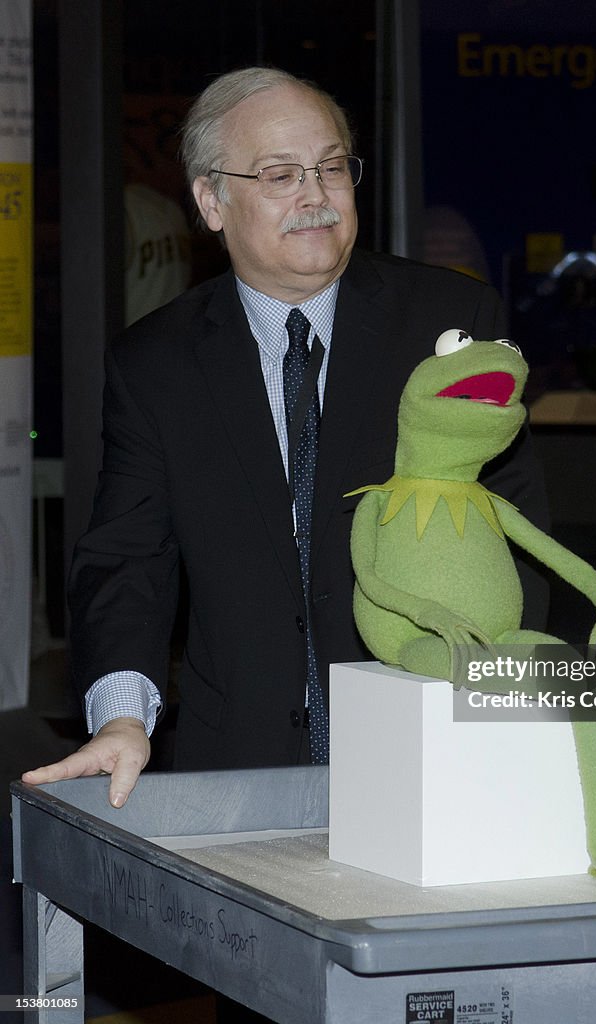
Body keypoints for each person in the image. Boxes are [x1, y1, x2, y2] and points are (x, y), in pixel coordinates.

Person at [23, 67, 549, 807]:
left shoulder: (448, 323)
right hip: (235, 762)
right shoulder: (155, 364)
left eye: (332, 167)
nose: (316, 195)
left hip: (430, 742)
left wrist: (486, 699)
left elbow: (515, 531)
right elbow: (127, 561)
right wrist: (119, 719)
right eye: (279, 174)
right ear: (212, 200)